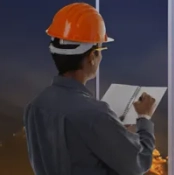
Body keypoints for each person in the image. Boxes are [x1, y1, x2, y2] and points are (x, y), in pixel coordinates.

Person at [23, 2, 156, 175]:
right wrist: (144, 118)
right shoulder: (95, 114)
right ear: (92, 56)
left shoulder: (34, 107)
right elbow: (139, 161)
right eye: (100, 49)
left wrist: (112, 128)